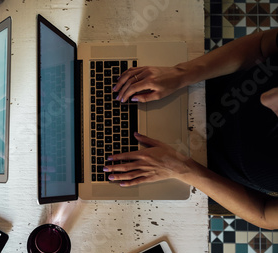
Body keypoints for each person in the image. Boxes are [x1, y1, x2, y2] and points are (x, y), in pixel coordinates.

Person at [106, 29, 278, 230]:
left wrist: (184, 169)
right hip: (202, 84)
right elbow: (261, 46)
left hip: (208, 173)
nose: (265, 99)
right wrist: (181, 73)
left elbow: (264, 213)